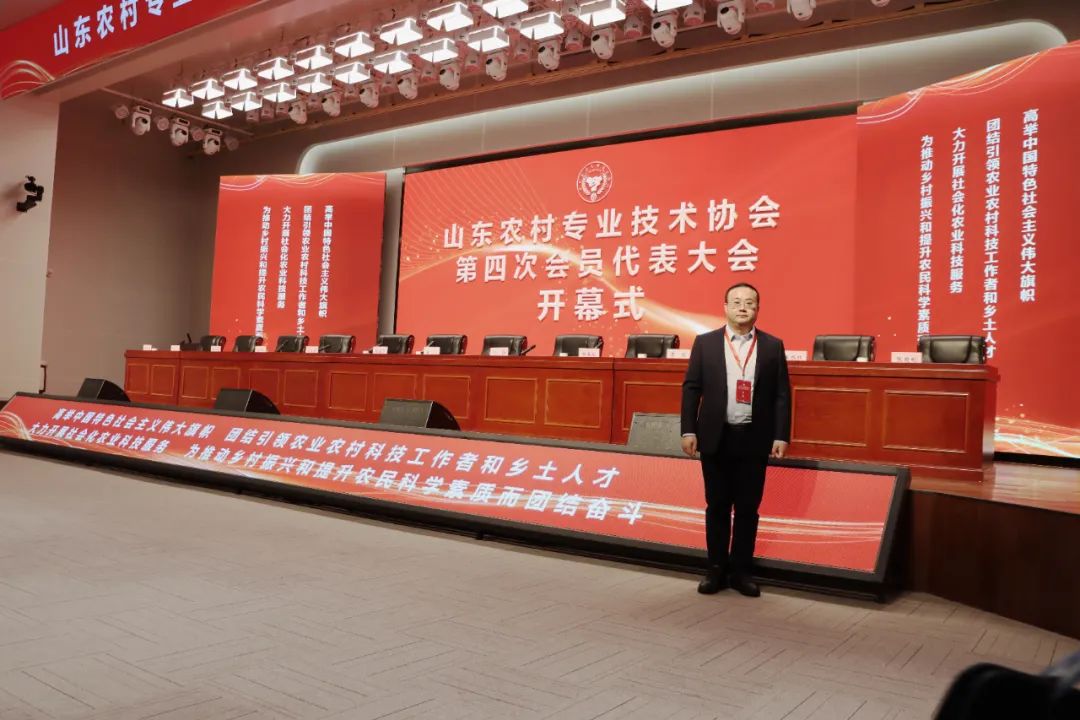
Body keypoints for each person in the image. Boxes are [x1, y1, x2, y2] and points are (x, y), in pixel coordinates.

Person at [680, 282, 791, 597]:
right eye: (737, 302)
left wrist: (781, 434)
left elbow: (782, 394)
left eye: (750, 303)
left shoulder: (772, 346)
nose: (743, 307)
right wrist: (688, 430)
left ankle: (741, 572)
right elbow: (691, 388)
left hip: (754, 438)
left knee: (747, 508)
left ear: (757, 309)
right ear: (726, 307)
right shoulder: (705, 343)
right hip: (715, 437)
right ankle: (715, 569)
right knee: (716, 505)